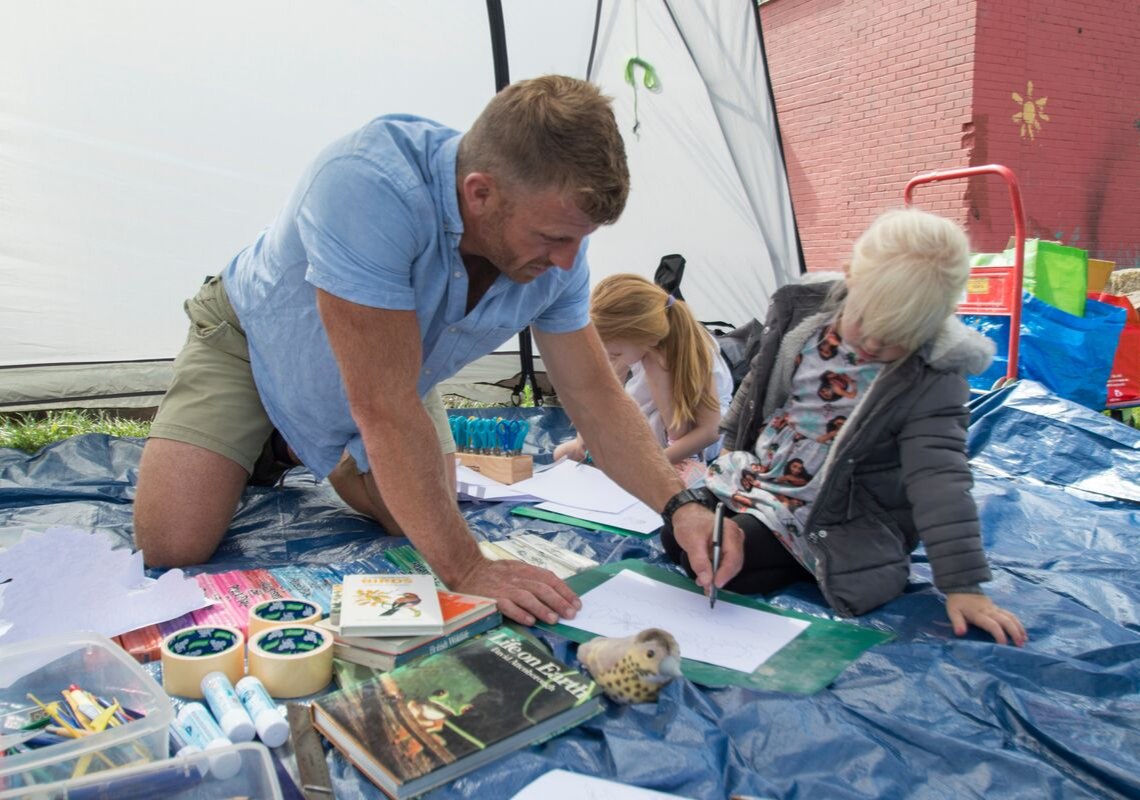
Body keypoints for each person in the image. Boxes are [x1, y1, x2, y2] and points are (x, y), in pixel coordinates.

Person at [133, 75, 742, 626]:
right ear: (480, 194)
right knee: (174, 544)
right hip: (257, 337)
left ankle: (302, 440)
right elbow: (384, 406)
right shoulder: (367, 184)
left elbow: (596, 399)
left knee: (418, 517)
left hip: (390, 364)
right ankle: (276, 430)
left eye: (578, 242)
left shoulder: (559, 250)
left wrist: (680, 502)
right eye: (554, 237)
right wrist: (470, 570)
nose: (566, 262)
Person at [661, 207, 1028, 646]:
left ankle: (773, 551)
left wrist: (963, 587)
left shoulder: (933, 378)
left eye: (894, 341)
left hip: (835, 513)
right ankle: (740, 534)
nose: (871, 345)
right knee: (677, 532)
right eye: (866, 326)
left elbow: (941, 482)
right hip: (761, 476)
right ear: (852, 276)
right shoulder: (805, 319)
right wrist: (725, 452)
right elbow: (758, 384)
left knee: (725, 559)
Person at [553, 273, 733, 465]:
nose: (610, 357)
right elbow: (604, 388)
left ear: (646, 338)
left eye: (616, 354)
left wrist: (654, 466)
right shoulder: (639, 343)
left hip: (692, 439)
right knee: (563, 453)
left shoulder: (682, 353)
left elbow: (709, 431)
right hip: (649, 425)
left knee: (655, 365)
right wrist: (586, 432)